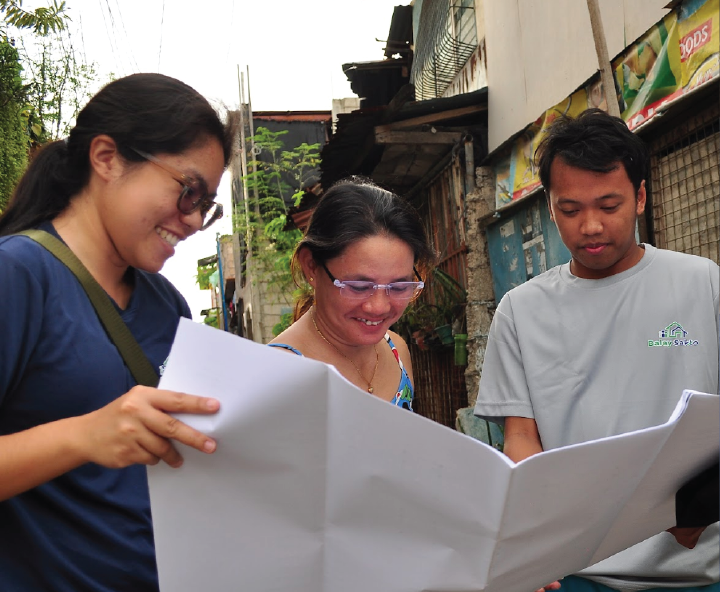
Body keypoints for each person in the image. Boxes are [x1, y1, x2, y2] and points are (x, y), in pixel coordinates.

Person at [0, 73, 237, 591]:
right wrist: (83, 436)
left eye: (207, 205)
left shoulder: (167, 304)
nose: (194, 221)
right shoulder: (18, 275)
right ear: (106, 158)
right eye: (188, 191)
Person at [474, 109, 719, 592]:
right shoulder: (521, 311)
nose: (590, 225)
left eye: (609, 205)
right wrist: (534, 548)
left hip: (699, 568)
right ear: (550, 207)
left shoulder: (703, 283)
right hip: (578, 571)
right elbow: (520, 438)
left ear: (641, 197)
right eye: (570, 210)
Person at [269, 178, 435, 410]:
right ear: (311, 266)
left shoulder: (396, 351)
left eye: (398, 287)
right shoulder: (276, 374)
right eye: (359, 286)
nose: (379, 307)